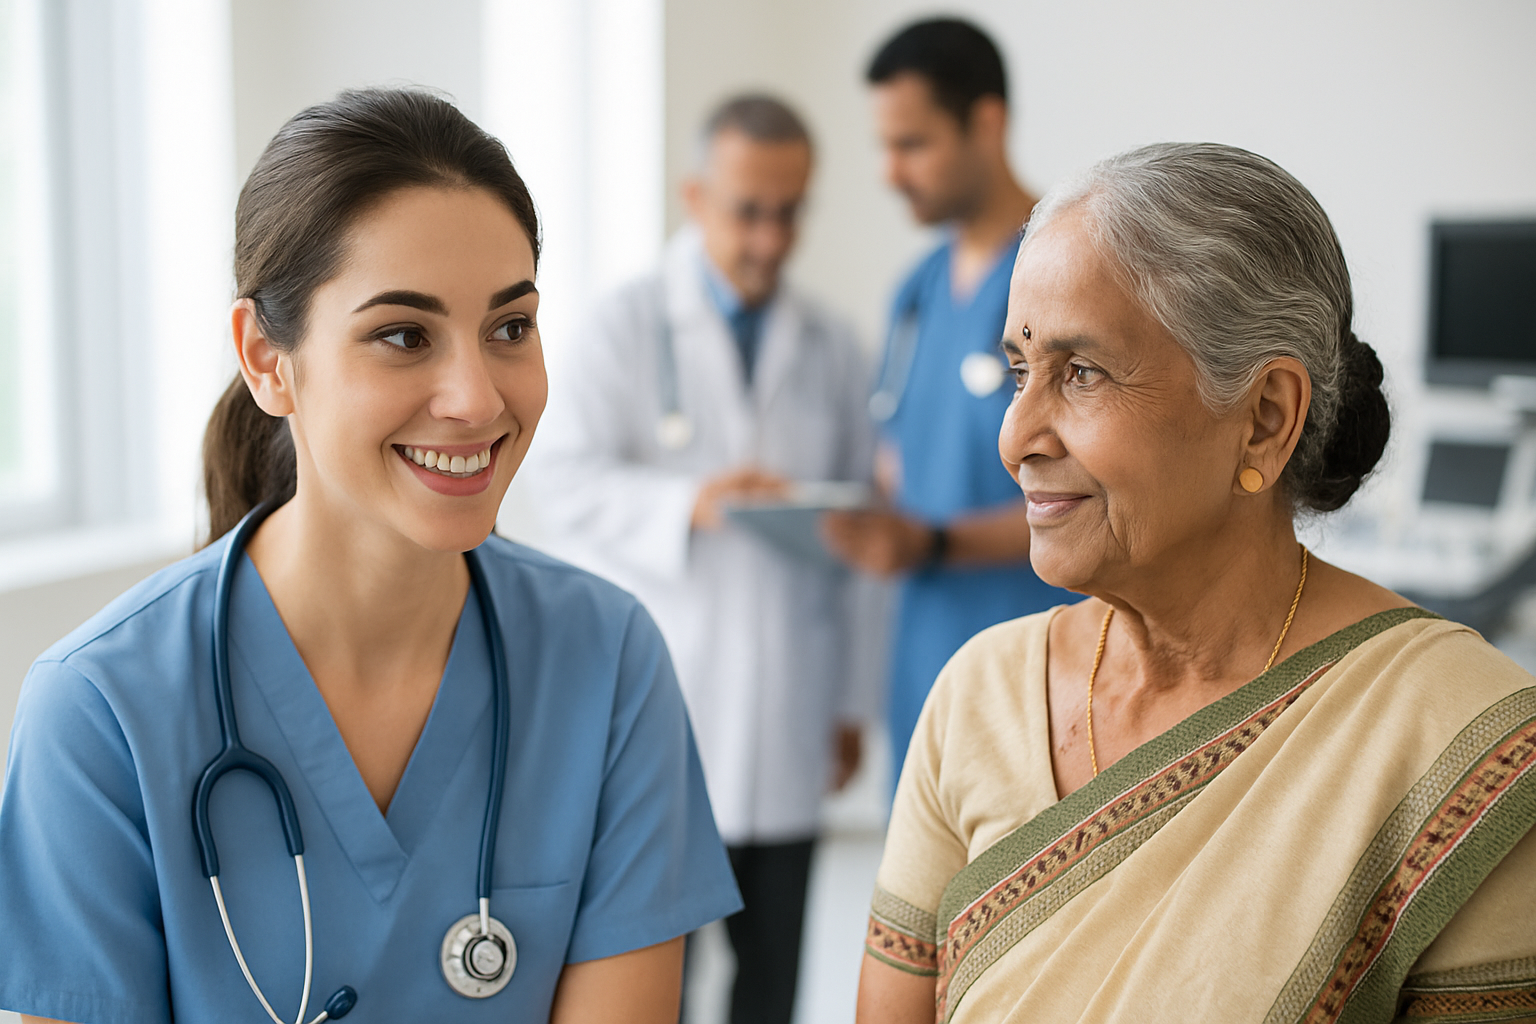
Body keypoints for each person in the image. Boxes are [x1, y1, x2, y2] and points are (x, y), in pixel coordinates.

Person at [0, 89, 741, 1024]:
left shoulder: (607, 660)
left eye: (509, 328)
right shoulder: (101, 711)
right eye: (403, 335)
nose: (477, 398)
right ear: (266, 360)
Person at [856, 142, 1536, 1024]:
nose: (1014, 437)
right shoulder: (978, 698)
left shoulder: (1463, 740)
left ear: (1264, 419)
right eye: (1021, 371)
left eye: (1082, 373)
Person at [527, 94, 877, 1024]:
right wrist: (691, 502)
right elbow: (561, 478)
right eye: (748, 211)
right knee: (654, 983)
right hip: (665, 698)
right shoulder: (623, 324)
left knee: (771, 983)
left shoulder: (831, 344)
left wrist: (850, 703)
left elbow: (860, 539)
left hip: (790, 703)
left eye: (789, 212)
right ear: (694, 196)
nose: (770, 239)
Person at [823, 18, 1074, 774]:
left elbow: (1098, 485)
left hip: (1038, 664)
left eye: (913, 144)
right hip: (925, 669)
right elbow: (900, 464)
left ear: (986, 123)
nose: (890, 172)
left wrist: (934, 543)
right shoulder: (916, 293)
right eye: (884, 146)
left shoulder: (1068, 273)